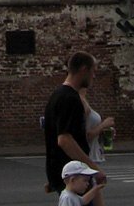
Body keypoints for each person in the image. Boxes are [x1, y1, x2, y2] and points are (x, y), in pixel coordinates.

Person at [44, 52, 105, 194]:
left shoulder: (57, 95)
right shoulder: (69, 99)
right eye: (93, 71)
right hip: (75, 176)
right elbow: (64, 140)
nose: (94, 76)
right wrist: (93, 168)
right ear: (84, 69)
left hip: (67, 174)